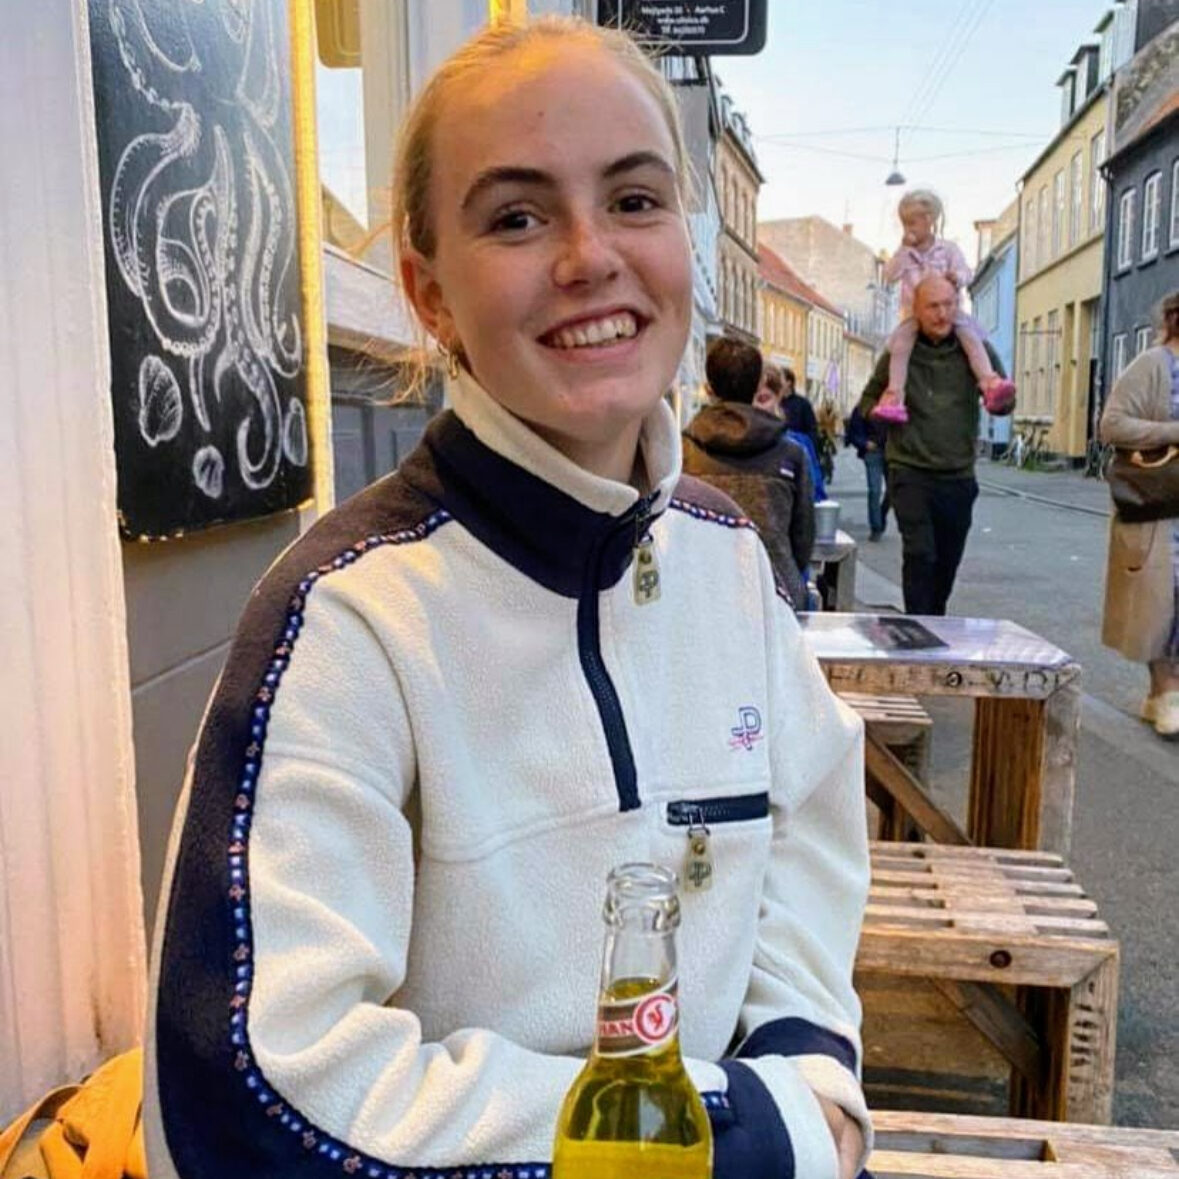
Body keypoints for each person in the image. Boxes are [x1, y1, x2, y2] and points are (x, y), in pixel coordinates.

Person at [142, 18, 872, 1179]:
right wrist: (737, 1136)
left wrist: (803, 1063)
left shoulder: (728, 559)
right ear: (429, 292)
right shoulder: (344, 621)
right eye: (518, 217)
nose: (589, 255)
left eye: (634, 199)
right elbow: (246, 1100)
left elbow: (808, 832)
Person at [858, 274, 1010, 615]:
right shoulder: (900, 351)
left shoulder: (975, 350)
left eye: (949, 304)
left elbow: (1002, 395)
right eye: (933, 307)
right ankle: (918, 626)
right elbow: (866, 402)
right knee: (920, 553)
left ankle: (934, 618)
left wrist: (1000, 402)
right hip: (910, 470)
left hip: (957, 474)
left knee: (946, 560)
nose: (943, 314)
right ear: (916, 310)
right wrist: (879, 411)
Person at [682, 337, 815, 608]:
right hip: (777, 595)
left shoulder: (683, 451)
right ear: (757, 386)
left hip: (702, 594)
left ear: (709, 389)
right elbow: (803, 540)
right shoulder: (791, 455)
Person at [1100, 291, 1179, 740]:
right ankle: (1167, 691)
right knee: (1161, 598)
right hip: (1159, 500)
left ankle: (1160, 697)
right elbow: (1112, 424)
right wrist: (1173, 432)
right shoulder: (1152, 365)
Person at [873, 190, 1015, 425]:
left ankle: (989, 381)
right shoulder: (905, 254)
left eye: (912, 223)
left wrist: (956, 276)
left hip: (950, 313)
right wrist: (902, 250)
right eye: (904, 224)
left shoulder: (947, 250)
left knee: (971, 338)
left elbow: (967, 273)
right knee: (900, 346)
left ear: (929, 220)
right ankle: (894, 396)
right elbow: (889, 276)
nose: (908, 230)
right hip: (914, 315)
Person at [763, 362, 829, 500]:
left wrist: (812, 446)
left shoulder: (802, 404)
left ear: (789, 382)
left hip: (799, 443)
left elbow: (811, 427)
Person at [844, 403, 890, 541]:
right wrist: (864, 443)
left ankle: (881, 514)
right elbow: (853, 431)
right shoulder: (863, 406)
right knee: (874, 490)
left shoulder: (893, 403)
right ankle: (876, 527)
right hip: (873, 452)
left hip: (892, 452)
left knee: (894, 491)